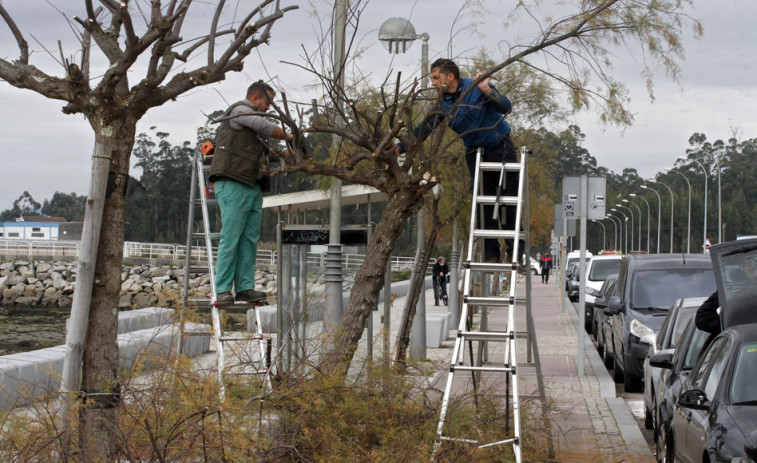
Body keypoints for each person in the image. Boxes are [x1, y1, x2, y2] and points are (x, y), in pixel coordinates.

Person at [399, 58, 521, 264]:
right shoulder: (442, 104)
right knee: (482, 200)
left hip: (500, 145)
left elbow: (506, 106)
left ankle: (516, 251)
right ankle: (491, 253)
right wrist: (400, 145)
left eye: (437, 78)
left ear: (450, 76)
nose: (434, 83)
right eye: (433, 79)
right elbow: (424, 129)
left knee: (507, 200)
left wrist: (487, 89)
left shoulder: (475, 86)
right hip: (475, 152)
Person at [209, 80, 293, 303]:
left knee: (249, 239)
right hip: (234, 181)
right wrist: (289, 135)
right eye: (268, 102)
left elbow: (264, 153)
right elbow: (264, 125)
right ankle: (224, 289)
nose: (269, 107)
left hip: (252, 184)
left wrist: (285, 155)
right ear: (255, 98)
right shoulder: (239, 111)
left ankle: (245, 287)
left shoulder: (255, 124)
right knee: (231, 236)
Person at [696, 253, 757, 335]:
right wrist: (729, 325)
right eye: (751, 269)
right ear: (742, 268)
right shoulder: (733, 290)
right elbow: (703, 318)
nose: (755, 275)